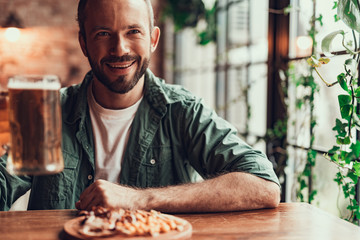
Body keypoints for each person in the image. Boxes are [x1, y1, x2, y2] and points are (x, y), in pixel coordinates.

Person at [0, 0, 280, 212]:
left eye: (133, 31)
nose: (120, 48)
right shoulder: (48, 111)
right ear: (83, 43)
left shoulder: (182, 110)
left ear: (153, 39)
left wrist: (139, 198)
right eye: (102, 34)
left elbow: (263, 186)